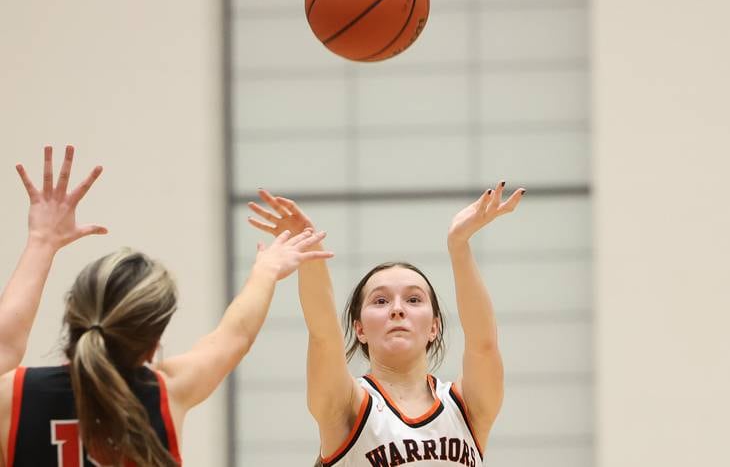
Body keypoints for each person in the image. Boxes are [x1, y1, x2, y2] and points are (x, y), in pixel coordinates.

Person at [0, 146, 333, 467]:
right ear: (152, 346)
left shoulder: (11, 395)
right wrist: (267, 269)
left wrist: (41, 241)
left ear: (73, 312)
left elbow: (6, 344)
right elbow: (236, 335)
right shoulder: (165, 393)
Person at [248, 181, 524, 466]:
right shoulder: (348, 406)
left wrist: (459, 245)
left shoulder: (466, 407)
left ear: (434, 327)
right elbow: (323, 335)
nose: (397, 310)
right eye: (380, 301)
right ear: (360, 329)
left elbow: (484, 344)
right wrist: (310, 252)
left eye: (414, 300)